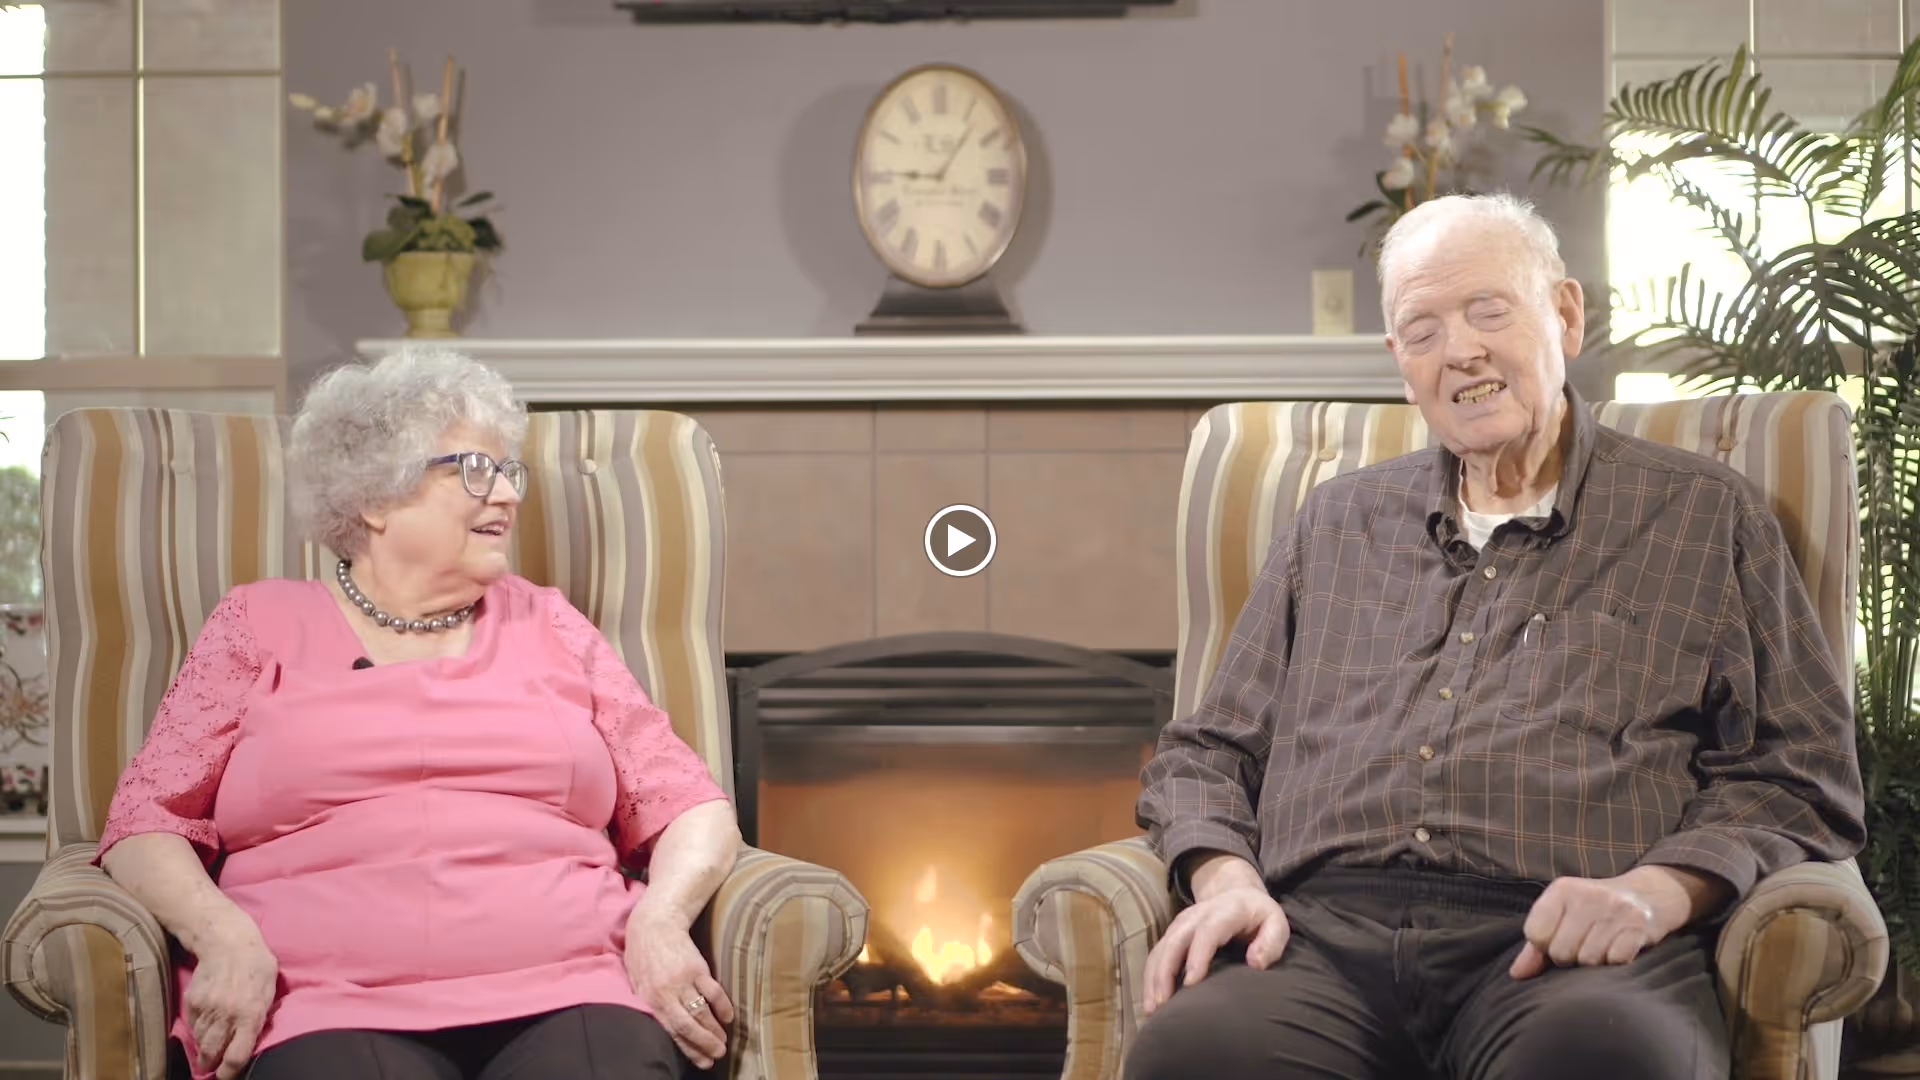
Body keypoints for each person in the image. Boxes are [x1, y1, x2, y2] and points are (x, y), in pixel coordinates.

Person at [1127, 193, 1866, 1080]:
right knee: (1192, 1052)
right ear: (1401, 364)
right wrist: (1227, 881)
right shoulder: (1333, 523)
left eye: (1488, 310)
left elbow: (1801, 767)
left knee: (1607, 1057)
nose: (1461, 350)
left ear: (1565, 315)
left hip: (1572, 944)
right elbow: (1205, 752)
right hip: (1315, 939)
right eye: (1424, 329)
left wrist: (1658, 891)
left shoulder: (1705, 517)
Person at [94, 346, 743, 1080]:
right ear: (375, 497)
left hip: (575, 982)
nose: (507, 494)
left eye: (509, 471)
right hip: (320, 1000)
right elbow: (145, 821)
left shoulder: (551, 624)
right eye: (475, 470)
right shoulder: (258, 624)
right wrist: (222, 936)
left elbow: (690, 804)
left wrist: (661, 920)